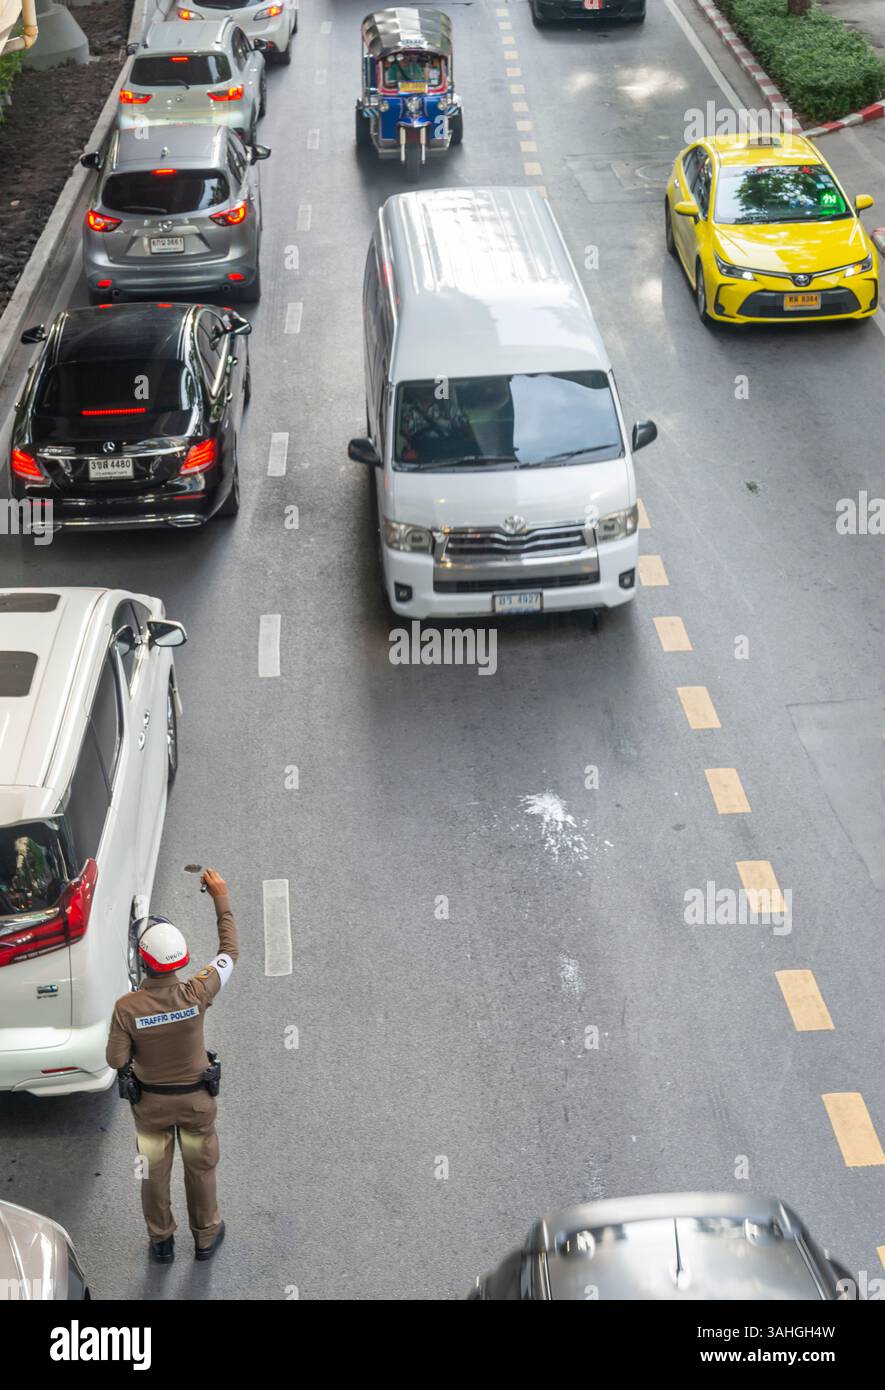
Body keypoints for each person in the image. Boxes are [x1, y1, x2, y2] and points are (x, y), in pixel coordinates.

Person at [105, 868, 239, 1264]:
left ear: (142, 962)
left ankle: (161, 1241)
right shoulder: (198, 990)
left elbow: (115, 1060)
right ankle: (206, 1235)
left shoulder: (127, 1008)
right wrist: (221, 897)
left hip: (151, 1111)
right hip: (197, 1104)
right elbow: (229, 952)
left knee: (153, 1173)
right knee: (200, 1170)